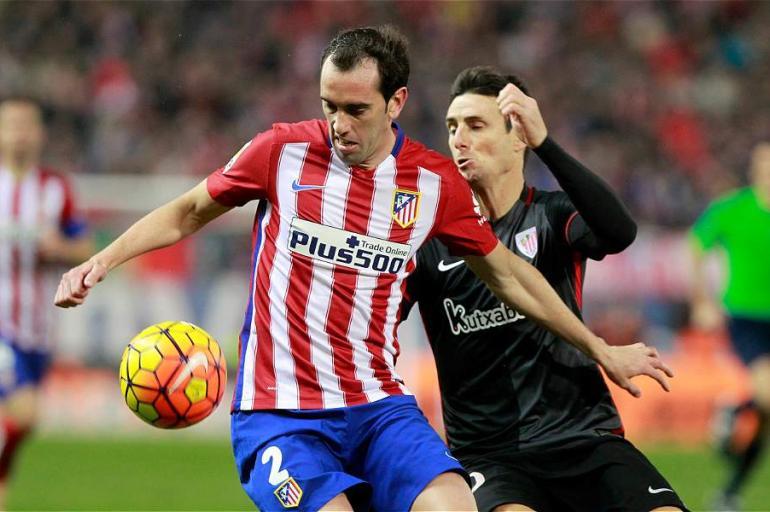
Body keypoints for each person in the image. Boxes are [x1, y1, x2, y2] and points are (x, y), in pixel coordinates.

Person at [55, 27, 673, 512]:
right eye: (330, 106)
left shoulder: (431, 183)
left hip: (379, 408)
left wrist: (600, 349)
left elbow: (509, 274)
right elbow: (191, 209)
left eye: (356, 109)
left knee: (455, 506)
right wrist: (103, 259)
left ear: (395, 102)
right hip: (281, 414)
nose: (339, 125)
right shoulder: (282, 151)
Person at [403, 66, 686, 512]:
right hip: (490, 457)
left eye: (476, 126)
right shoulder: (429, 241)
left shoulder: (552, 217)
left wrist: (547, 144)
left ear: (518, 138)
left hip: (583, 439)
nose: (458, 139)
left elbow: (618, 231)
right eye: (452, 127)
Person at [0, 97, 93, 507]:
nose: (19, 133)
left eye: (27, 125)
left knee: (23, 425)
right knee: (25, 413)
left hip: (37, 327)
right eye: (11, 125)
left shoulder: (56, 189)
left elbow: (85, 246)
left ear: (39, 134)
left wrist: (59, 246)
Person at [690, 142, 770, 511]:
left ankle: (729, 493)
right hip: (748, 319)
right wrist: (702, 300)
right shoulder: (732, 209)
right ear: (754, 169)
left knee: (767, 417)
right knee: (768, 395)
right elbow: (696, 246)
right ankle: (738, 411)